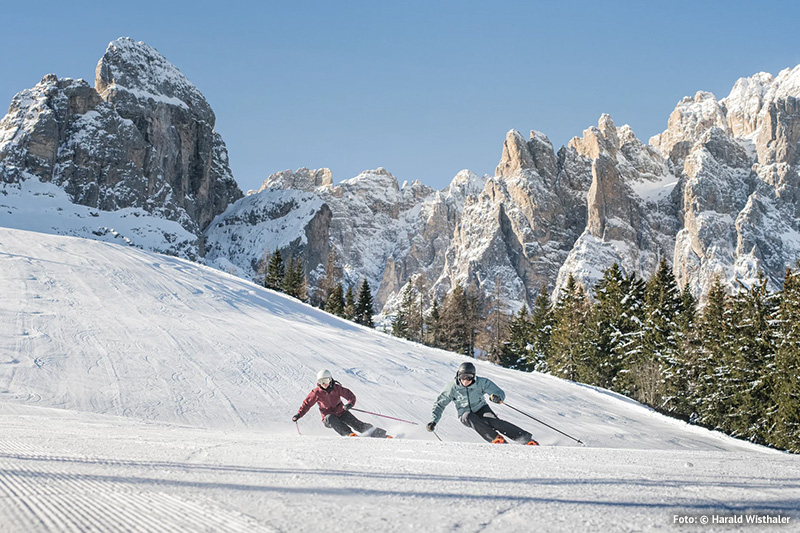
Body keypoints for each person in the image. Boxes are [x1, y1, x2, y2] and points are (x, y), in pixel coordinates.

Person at [426, 362, 538, 445]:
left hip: (482, 409)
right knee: (469, 417)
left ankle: (525, 439)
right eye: (462, 377)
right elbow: (440, 404)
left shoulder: (481, 382)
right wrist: (433, 421)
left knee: (495, 422)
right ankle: (495, 439)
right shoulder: (452, 387)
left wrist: (496, 397)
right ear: (458, 376)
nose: (465, 380)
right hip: (465, 414)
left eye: (469, 377)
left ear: (474, 377)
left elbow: (498, 392)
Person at [292, 369, 388, 438]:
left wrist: (349, 404)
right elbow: (306, 404)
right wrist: (298, 415)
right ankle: (348, 433)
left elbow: (351, 396)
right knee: (330, 417)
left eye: (326, 380)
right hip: (328, 418)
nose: (324, 384)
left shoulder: (337, 388)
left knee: (357, 424)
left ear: (330, 380)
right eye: (321, 381)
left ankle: (378, 433)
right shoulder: (316, 393)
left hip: (341, 412)